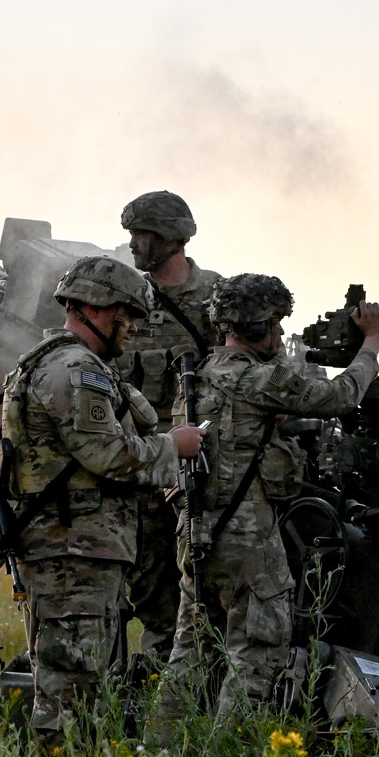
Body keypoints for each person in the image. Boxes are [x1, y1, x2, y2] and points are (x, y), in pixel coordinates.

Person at [161, 273, 379, 722]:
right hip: (249, 539)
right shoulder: (261, 380)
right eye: (275, 324)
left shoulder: (199, 379)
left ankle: (162, 755)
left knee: (188, 654)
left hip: (196, 532)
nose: (281, 334)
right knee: (258, 653)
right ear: (253, 328)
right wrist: (372, 343)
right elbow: (342, 394)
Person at [1, 254, 206, 734]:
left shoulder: (78, 365)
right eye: (127, 313)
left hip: (83, 553)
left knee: (87, 690)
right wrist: (174, 448)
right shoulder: (75, 370)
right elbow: (108, 455)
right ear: (93, 308)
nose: (134, 326)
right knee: (70, 696)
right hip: (71, 555)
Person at [117, 190, 223, 659]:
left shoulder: (217, 299)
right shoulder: (124, 299)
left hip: (200, 468)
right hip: (141, 469)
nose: (134, 244)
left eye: (143, 234)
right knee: (146, 576)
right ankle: (162, 664)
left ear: (170, 238)